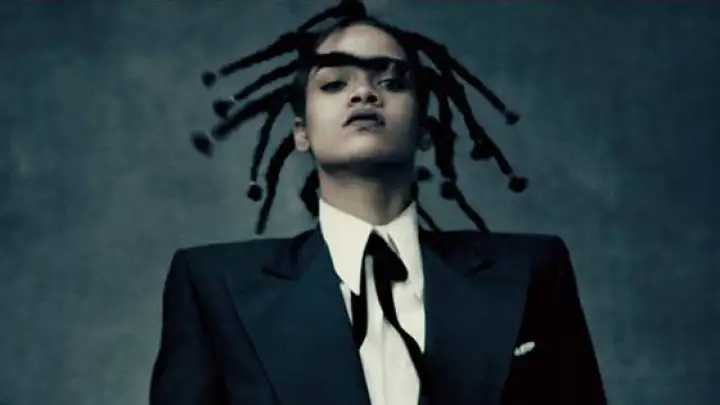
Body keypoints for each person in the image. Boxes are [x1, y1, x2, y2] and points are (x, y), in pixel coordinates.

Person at [149, 2, 607, 404]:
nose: (365, 93)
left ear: (425, 129)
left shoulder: (532, 271)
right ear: (301, 132)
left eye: (390, 81)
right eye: (334, 84)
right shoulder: (213, 287)